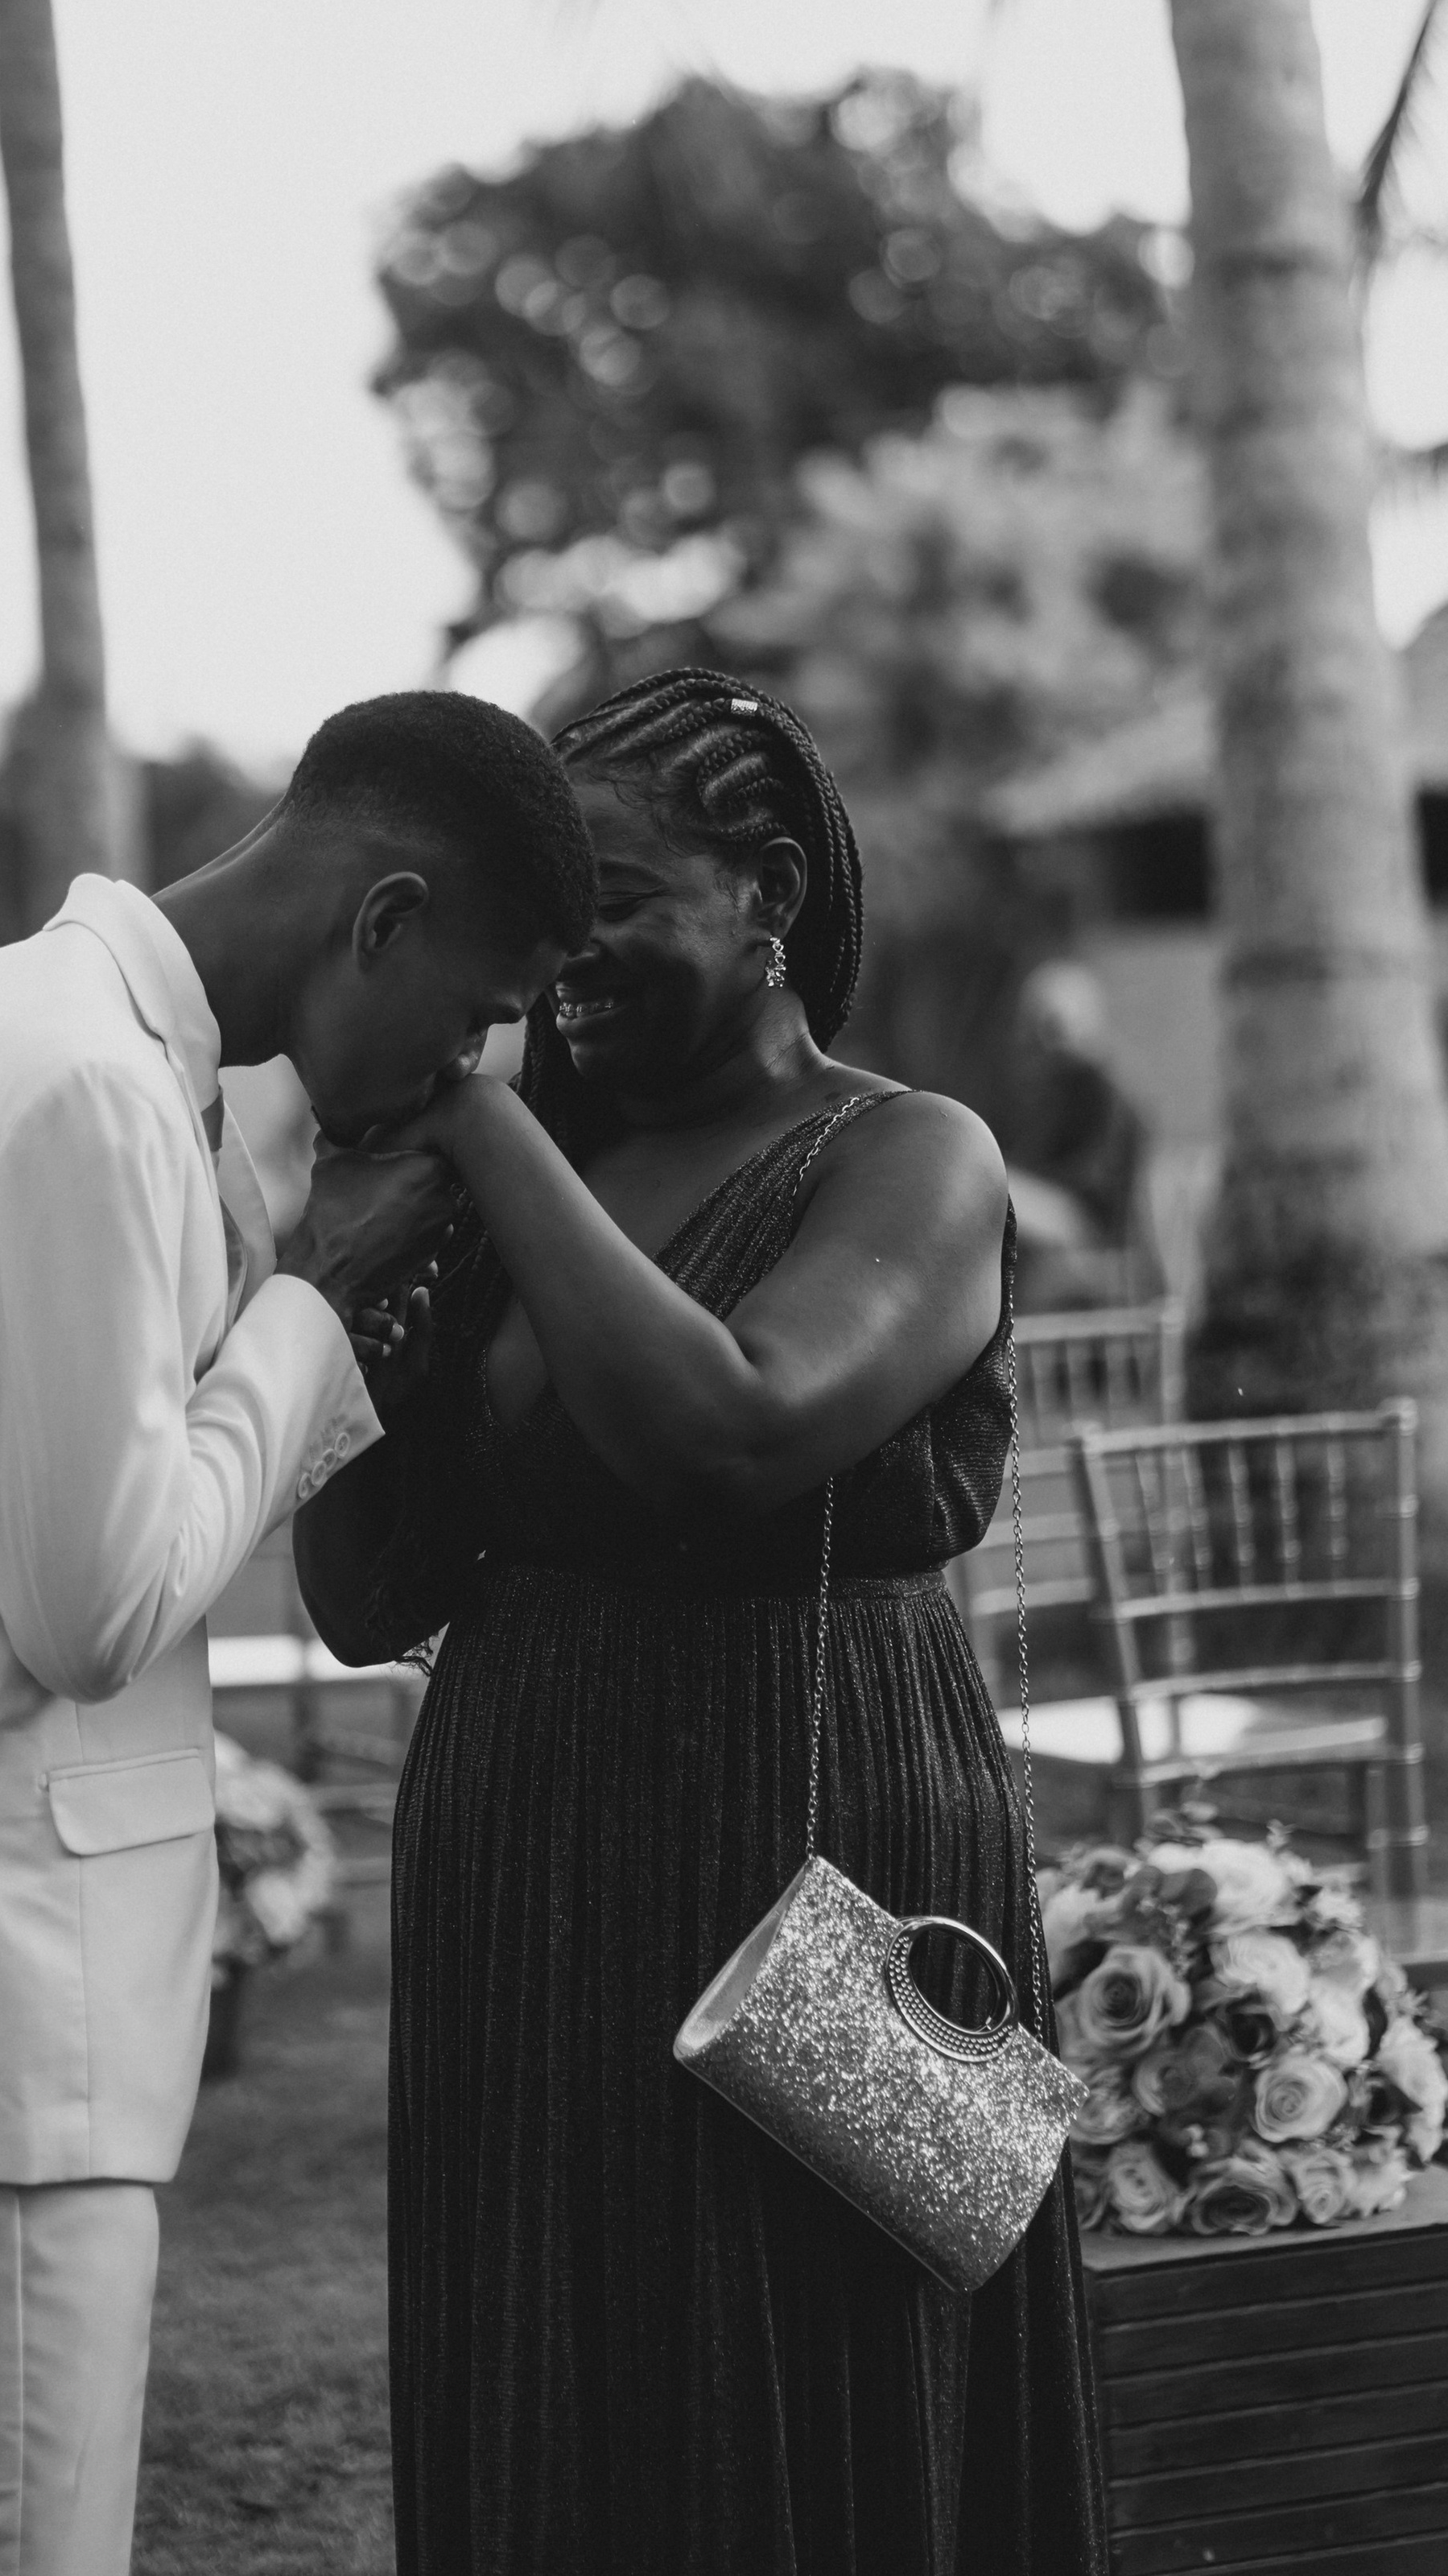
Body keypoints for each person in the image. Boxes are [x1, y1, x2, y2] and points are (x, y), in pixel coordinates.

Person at [0, 690, 596, 2576]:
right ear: (381, 916)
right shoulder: (89, 1089)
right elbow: (93, 1608)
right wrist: (306, 1315)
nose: (476, 1064)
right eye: (482, 1002)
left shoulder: (3, 1014)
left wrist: (233, 1229)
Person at [299, 670, 1107, 2576]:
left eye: (607, 891)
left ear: (762, 894)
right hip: (526, 1840)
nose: (553, 948)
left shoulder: (907, 1154)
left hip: (804, 1830)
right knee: (566, 2375)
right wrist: (334, 1287)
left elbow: (731, 1424)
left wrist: (481, 1134)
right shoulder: (509, 1186)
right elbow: (357, 1595)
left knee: (813, 2370)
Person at [1003, 959, 1160, 1311]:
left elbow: (1091, 1188)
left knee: (988, 1184)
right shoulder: (1053, 1089)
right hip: (1072, 1220)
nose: (1038, 1043)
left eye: (1048, 1027)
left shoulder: (1101, 1089)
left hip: (1098, 1235)